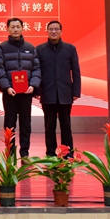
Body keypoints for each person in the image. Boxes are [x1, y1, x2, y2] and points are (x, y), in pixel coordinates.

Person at [0, 17, 41, 158]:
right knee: (9, 125)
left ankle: (25, 153)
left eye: (18, 27)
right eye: (12, 27)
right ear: (7, 29)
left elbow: (36, 69)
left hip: (26, 93)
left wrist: (33, 85)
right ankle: (10, 155)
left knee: (26, 124)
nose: (15, 29)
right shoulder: (2, 48)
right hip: (10, 93)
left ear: (22, 28)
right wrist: (6, 87)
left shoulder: (30, 47)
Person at [36, 20, 81, 157]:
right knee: (49, 126)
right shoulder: (40, 50)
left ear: (61, 31)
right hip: (47, 93)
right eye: (51, 29)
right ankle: (51, 154)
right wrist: (37, 90)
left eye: (56, 29)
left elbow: (76, 71)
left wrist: (76, 91)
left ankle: (68, 153)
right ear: (47, 31)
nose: (53, 31)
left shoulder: (70, 49)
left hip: (65, 93)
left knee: (66, 126)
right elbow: (36, 72)